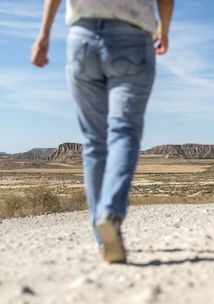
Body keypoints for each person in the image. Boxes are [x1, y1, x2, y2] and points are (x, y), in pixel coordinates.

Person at [31, 0, 174, 264]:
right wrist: (164, 30)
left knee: (95, 142)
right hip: (132, 36)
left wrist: (44, 34)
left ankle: (102, 237)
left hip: (82, 39)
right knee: (124, 131)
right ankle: (110, 213)